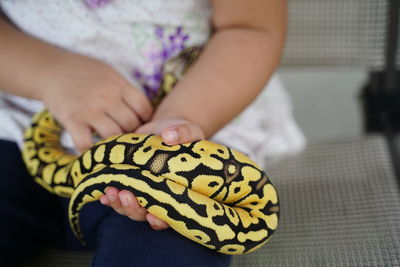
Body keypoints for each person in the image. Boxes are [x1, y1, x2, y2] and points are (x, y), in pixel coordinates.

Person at [0, 0, 304, 266]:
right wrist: (49, 73)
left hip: (197, 127)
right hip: (14, 126)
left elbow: (251, 28)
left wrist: (181, 116)